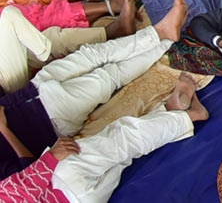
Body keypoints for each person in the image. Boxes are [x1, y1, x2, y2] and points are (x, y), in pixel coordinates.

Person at [0, 0, 190, 179]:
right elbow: (26, 173)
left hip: (32, 89)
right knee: (109, 76)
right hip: (49, 116)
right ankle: (165, 38)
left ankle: (159, 33)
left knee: (93, 53)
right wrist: (4, 130)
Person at [0, 74, 207, 203]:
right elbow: (16, 191)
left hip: (84, 198)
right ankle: (188, 116)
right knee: (124, 139)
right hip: (63, 180)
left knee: (123, 159)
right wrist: (50, 159)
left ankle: (171, 113)